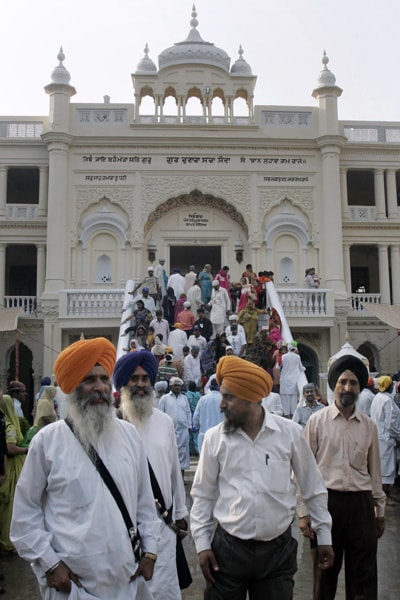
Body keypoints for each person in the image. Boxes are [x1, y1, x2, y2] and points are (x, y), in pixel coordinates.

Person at [10, 337, 160, 599]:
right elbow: (25, 517)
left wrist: (149, 552)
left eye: (104, 379)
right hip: (73, 587)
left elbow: (145, 504)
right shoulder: (47, 442)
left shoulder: (129, 437)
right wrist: (52, 564)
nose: (100, 387)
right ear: (72, 388)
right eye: (89, 380)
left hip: (126, 580)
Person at [190, 355, 333, 599]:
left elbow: (313, 486)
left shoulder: (289, 434)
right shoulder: (215, 438)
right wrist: (202, 544)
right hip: (228, 552)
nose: (221, 405)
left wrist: (324, 536)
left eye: (229, 397)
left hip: (277, 554)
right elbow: (203, 495)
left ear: (252, 399)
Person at [300, 354, 386, 600]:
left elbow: (375, 473)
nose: (348, 387)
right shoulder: (317, 422)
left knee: (364, 576)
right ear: (334, 385)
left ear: (359, 387)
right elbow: (304, 471)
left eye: (353, 383)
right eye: (343, 382)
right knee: (325, 574)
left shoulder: (368, 426)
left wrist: (379, 511)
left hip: (361, 505)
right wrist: (304, 512)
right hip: (327, 506)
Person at [113, 350, 189, 600]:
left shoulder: (164, 422)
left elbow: (173, 470)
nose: (140, 384)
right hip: (123, 528)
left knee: (162, 588)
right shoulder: (110, 424)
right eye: (134, 379)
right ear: (123, 383)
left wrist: (179, 513)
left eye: (145, 378)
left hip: (161, 526)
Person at [0, 393, 27, 552]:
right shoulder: (9, 426)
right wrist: (26, 449)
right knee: (8, 508)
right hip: (9, 469)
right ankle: (6, 541)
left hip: (9, 467)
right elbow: (10, 449)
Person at [370, 375, 400, 501]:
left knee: (381, 467)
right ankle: (384, 496)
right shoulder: (387, 401)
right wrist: (398, 436)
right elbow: (391, 423)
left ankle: (384, 494)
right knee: (387, 468)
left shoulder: (377, 397)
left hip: (378, 437)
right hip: (386, 438)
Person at [159, 377, 192, 479]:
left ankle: (181, 479)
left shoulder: (184, 398)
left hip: (183, 430)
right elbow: (160, 414)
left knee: (182, 454)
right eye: (175, 385)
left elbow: (188, 412)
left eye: (178, 385)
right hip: (169, 430)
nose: (177, 387)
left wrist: (189, 425)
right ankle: (171, 479)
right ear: (171, 386)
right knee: (170, 454)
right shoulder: (165, 398)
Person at [192, 378, 223, 454]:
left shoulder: (203, 399)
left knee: (205, 463)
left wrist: (196, 427)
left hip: (204, 435)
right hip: (220, 436)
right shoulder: (223, 399)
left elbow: (196, 417)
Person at [279, 345, 306, 418]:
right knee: (293, 398)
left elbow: (280, 366)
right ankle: (293, 414)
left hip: (284, 379)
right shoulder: (297, 357)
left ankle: (286, 413)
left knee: (285, 397)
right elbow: (301, 368)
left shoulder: (283, 356)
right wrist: (304, 369)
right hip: (293, 379)